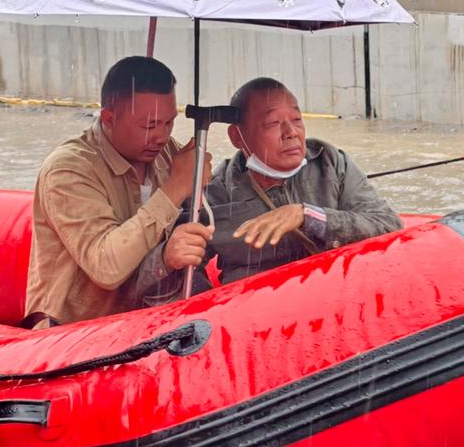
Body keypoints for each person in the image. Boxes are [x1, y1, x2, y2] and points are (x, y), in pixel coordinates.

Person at [142, 76, 402, 299]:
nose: (291, 132)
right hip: (258, 322)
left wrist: (306, 216)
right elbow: (177, 272)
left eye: (297, 119)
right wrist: (214, 306)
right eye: (272, 124)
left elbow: (388, 226)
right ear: (237, 137)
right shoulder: (213, 195)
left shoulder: (330, 162)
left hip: (333, 301)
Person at [24, 56, 212, 326]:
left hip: (144, 318)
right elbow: (105, 267)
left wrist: (200, 185)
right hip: (71, 332)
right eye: (149, 125)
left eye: (168, 122)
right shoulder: (68, 170)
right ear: (109, 118)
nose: (161, 136)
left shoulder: (168, 153)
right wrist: (173, 189)